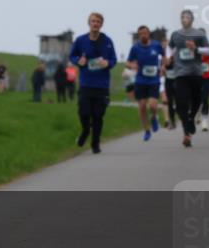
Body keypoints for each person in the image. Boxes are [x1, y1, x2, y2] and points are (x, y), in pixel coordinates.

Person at [69, 11, 118, 154]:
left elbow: (114, 59)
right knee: (83, 112)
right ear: (89, 23)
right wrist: (79, 61)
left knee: (98, 116)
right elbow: (72, 55)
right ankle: (85, 131)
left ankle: (95, 144)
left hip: (102, 85)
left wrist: (107, 63)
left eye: (98, 21)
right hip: (86, 84)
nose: (95, 23)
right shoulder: (80, 40)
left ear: (101, 24)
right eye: (93, 21)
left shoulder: (108, 41)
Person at [167, 9, 209, 148]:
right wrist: (168, 57)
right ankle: (186, 133)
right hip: (180, 74)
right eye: (182, 17)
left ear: (192, 19)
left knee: (197, 100)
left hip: (196, 73)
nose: (184, 19)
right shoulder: (176, 34)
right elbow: (169, 48)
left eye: (187, 17)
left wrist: (196, 49)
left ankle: (191, 118)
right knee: (181, 103)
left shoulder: (199, 34)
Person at [126, 25, 163, 141]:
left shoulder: (156, 45)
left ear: (149, 34)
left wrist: (163, 67)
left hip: (154, 80)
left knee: (152, 104)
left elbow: (164, 58)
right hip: (140, 80)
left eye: (145, 33)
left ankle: (153, 117)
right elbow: (128, 62)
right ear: (138, 35)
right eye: (140, 34)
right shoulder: (135, 48)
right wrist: (132, 65)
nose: (143, 35)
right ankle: (146, 130)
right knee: (142, 106)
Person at [163, 37, 179, 130]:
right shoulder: (164, 55)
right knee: (169, 102)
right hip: (168, 80)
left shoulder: (178, 54)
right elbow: (161, 65)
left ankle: (178, 111)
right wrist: (163, 66)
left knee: (178, 100)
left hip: (177, 80)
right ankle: (172, 122)